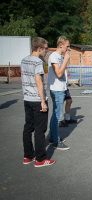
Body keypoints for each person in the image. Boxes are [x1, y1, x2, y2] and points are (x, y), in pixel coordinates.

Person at [21, 37, 55, 167]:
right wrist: (42, 101)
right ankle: (40, 159)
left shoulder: (24, 60)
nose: (46, 51)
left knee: (28, 127)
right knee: (40, 130)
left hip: (27, 99)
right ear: (39, 48)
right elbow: (38, 81)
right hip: (37, 99)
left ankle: (28, 156)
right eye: (45, 48)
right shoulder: (38, 62)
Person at [48, 36, 71, 150]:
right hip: (56, 90)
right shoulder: (54, 56)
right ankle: (56, 141)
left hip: (61, 88)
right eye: (67, 46)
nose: (68, 48)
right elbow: (58, 74)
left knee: (55, 115)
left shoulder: (60, 56)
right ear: (61, 45)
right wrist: (66, 59)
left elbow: (63, 72)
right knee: (57, 116)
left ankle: (52, 137)